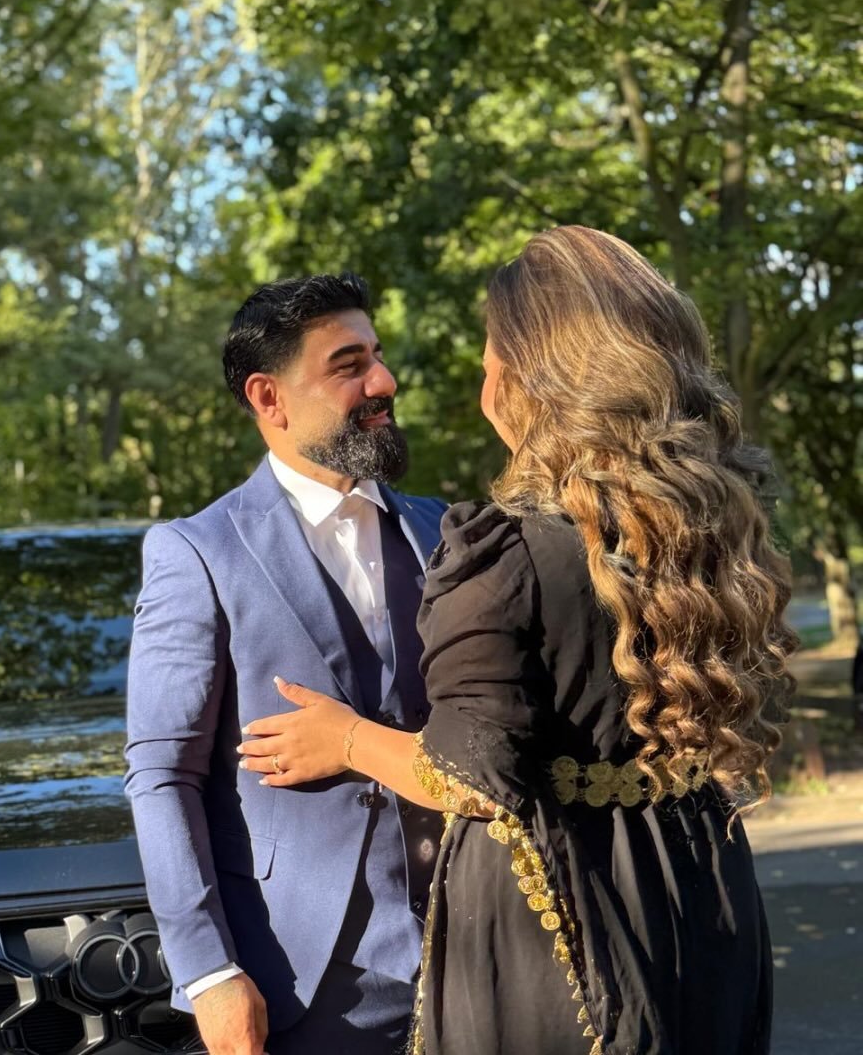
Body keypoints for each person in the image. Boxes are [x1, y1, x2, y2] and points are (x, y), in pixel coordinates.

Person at [237, 227, 796, 1054]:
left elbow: (467, 773)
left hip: (571, 920)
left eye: (491, 361)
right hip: (701, 890)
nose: (484, 384)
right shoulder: (704, 526)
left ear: (536, 380)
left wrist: (346, 739)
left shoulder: (509, 552)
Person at [123, 271, 447, 1055]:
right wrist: (208, 971)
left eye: (377, 356)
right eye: (348, 366)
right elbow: (162, 775)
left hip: (477, 951)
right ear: (269, 398)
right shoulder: (198, 552)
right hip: (306, 983)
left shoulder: (445, 531)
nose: (383, 381)